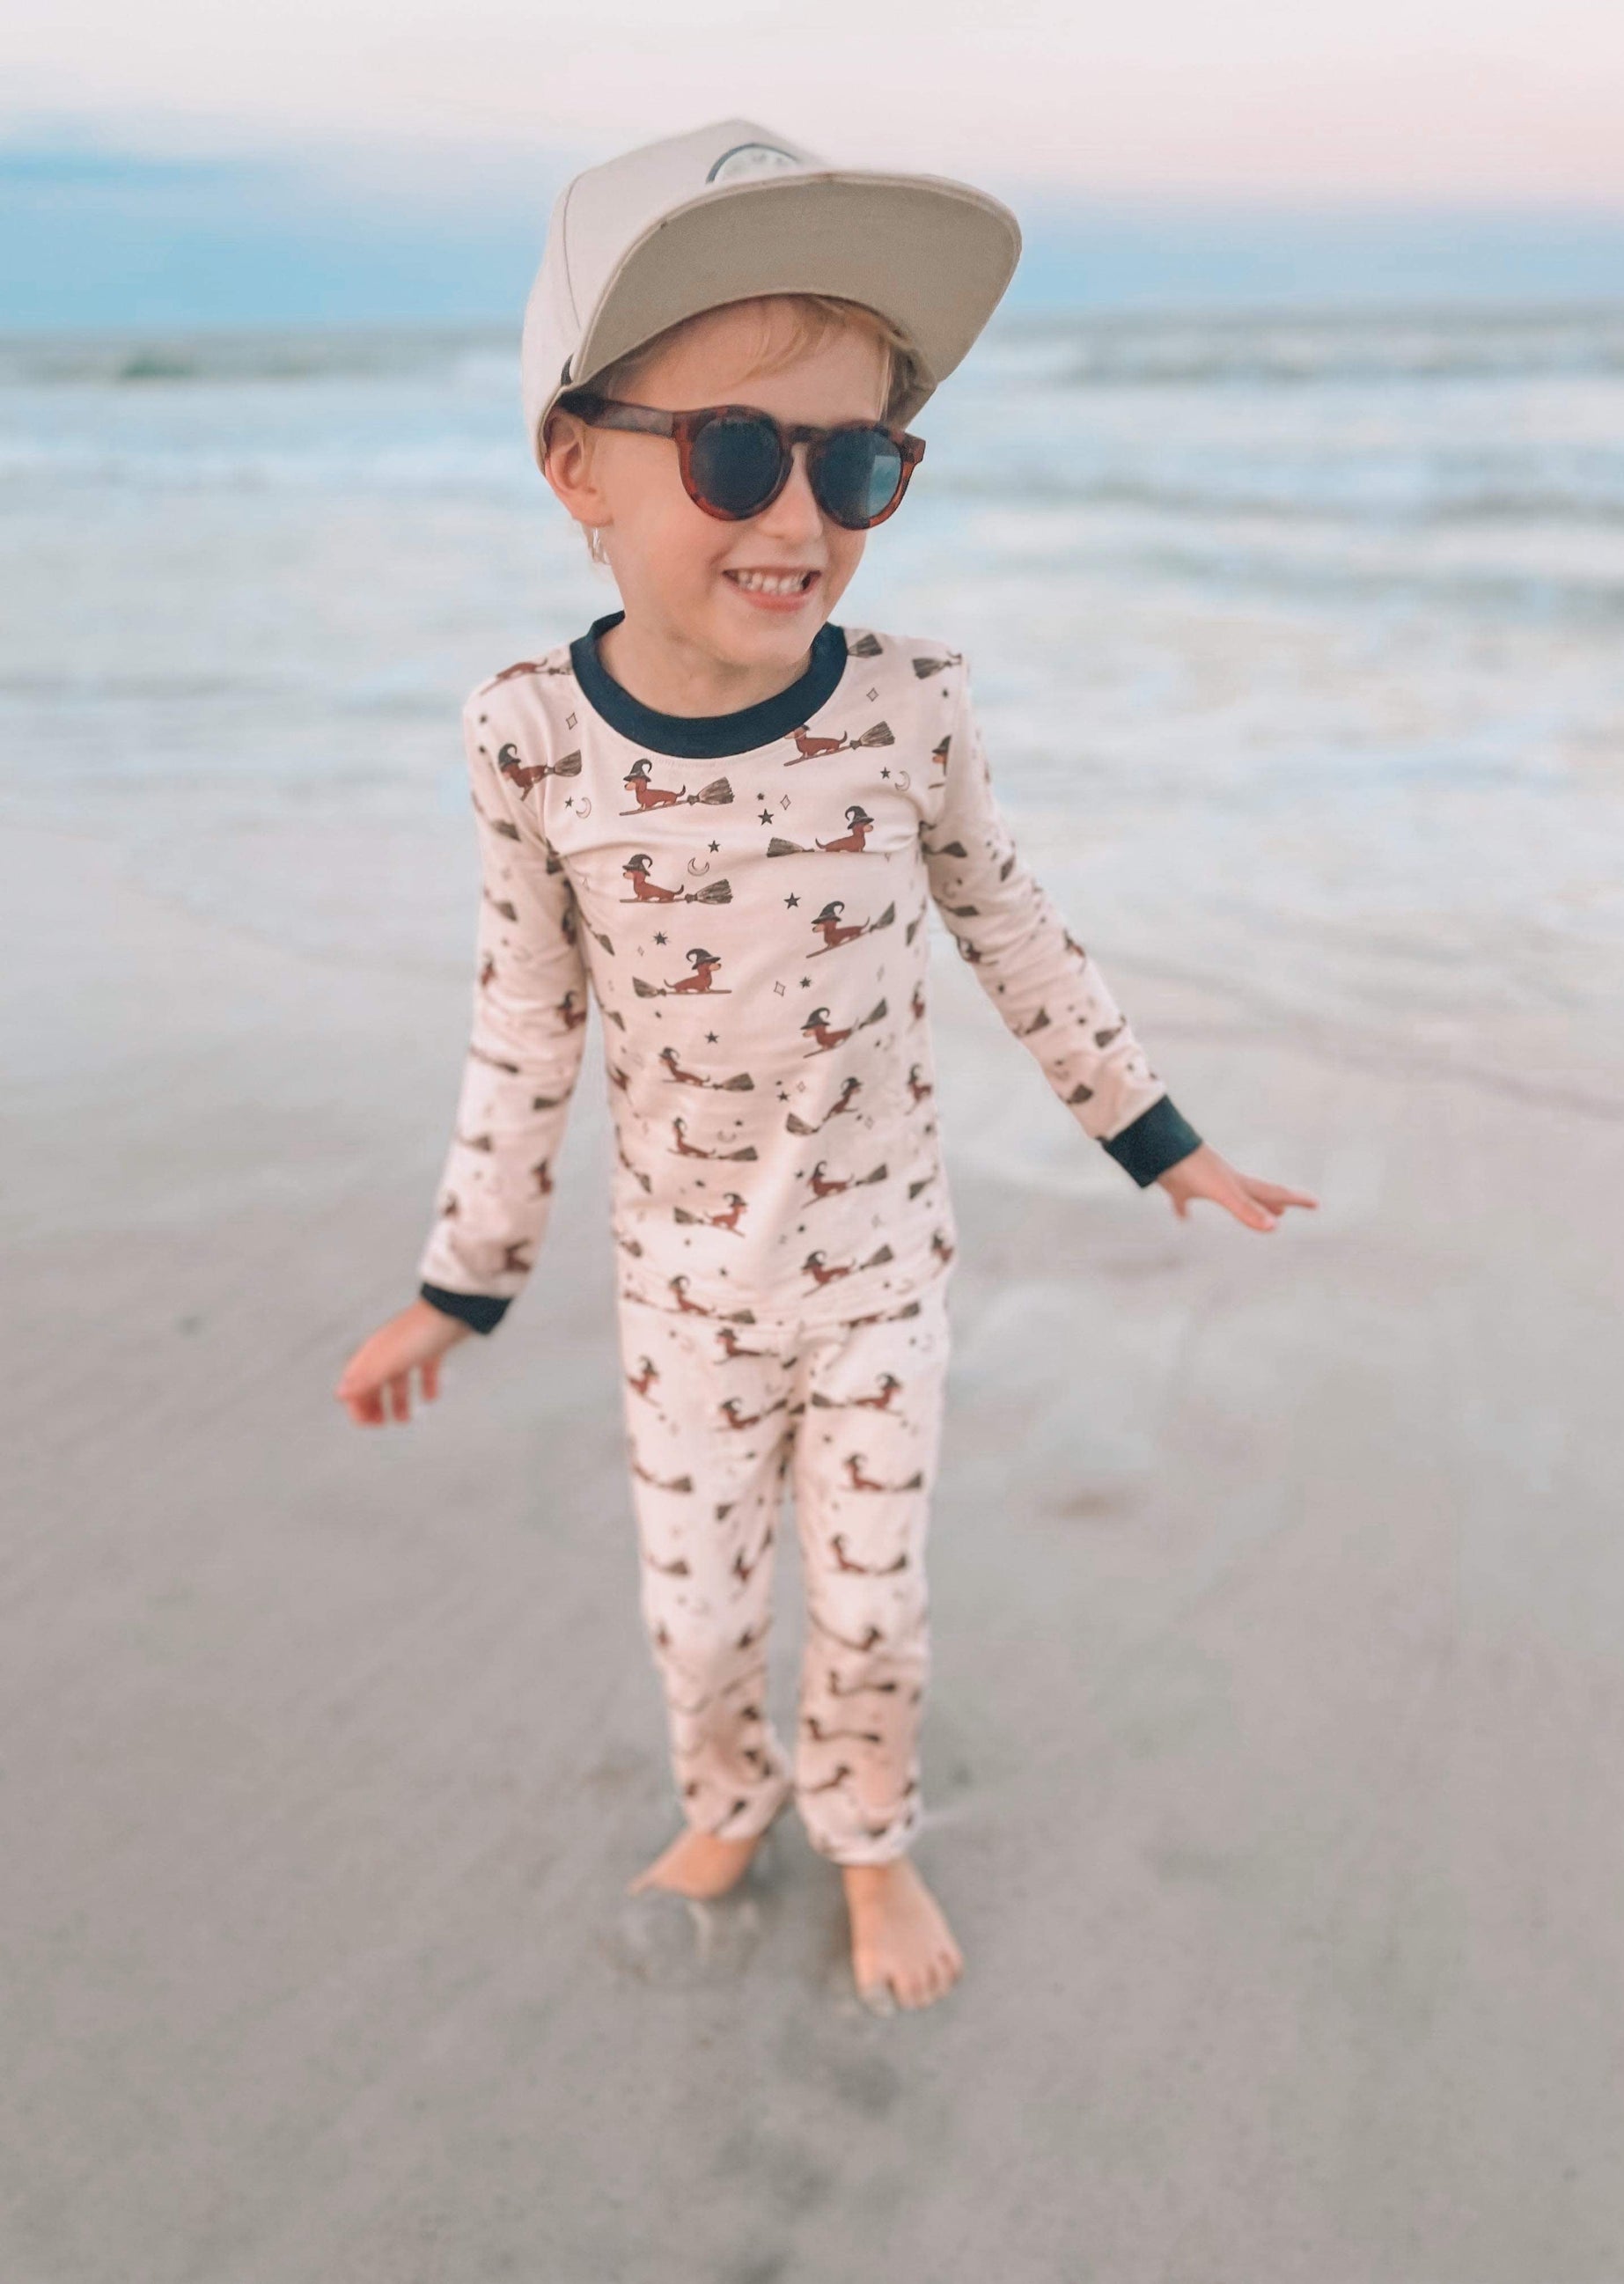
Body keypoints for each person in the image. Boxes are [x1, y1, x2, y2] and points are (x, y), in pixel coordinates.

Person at [334, 119, 1318, 2015]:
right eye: (733, 452)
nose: (798, 518)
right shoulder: (529, 739)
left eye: (856, 461)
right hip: (681, 1292)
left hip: (877, 1272)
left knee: (868, 1603)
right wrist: (463, 1281)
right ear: (576, 466)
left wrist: (1155, 1134)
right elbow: (525, 1015)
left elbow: (1009, 923)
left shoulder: (908, 704)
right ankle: (726, 1801)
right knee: (698, 1605)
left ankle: (868, 1835)